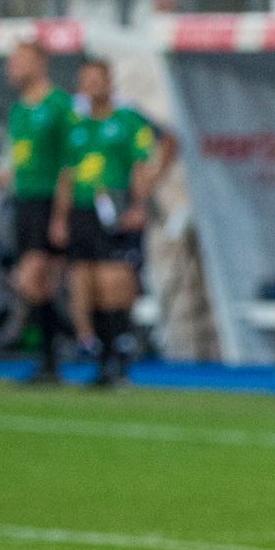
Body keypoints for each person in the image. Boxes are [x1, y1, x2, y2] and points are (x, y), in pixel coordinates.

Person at [53, 58, 173, 387]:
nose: (91, 86)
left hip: (114, 209)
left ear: (109, 83)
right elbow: (65, 174)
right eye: (85, 80)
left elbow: (143, 163)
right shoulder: (75, 125)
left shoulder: (127, 120)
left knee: (113, 285)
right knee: (83, 285)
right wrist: (59, 218)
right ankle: (98, 352)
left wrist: (139, 204)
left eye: (97, 80)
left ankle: (116, 356)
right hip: (81, 211)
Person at [0, 40, 75, 383]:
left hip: (49, 202)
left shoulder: (59, 104)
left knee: (31, 280)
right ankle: (52, 358)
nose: (12, 68)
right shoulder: (17, 109)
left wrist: (61, 215)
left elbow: (67, 165)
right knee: (37, 285)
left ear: (40, 63)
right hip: (24, 201)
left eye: (20, 60)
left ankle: (65, 341)